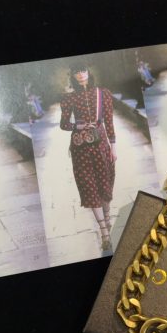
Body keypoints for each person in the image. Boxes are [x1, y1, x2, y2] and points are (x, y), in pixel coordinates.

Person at [60, 63, 117, 251]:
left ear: (88, 72)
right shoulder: (69, 98)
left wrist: (113, 146)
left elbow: (109, 121)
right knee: (89, 186)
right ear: (73, 76)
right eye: (76, 72)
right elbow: (64, 124)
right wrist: (78, 126)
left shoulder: (102, 93)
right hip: (80, 149)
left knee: (105, 184)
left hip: (101, 145)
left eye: (83, 70)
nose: (80, 74)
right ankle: (104, 233)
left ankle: (107, 219)